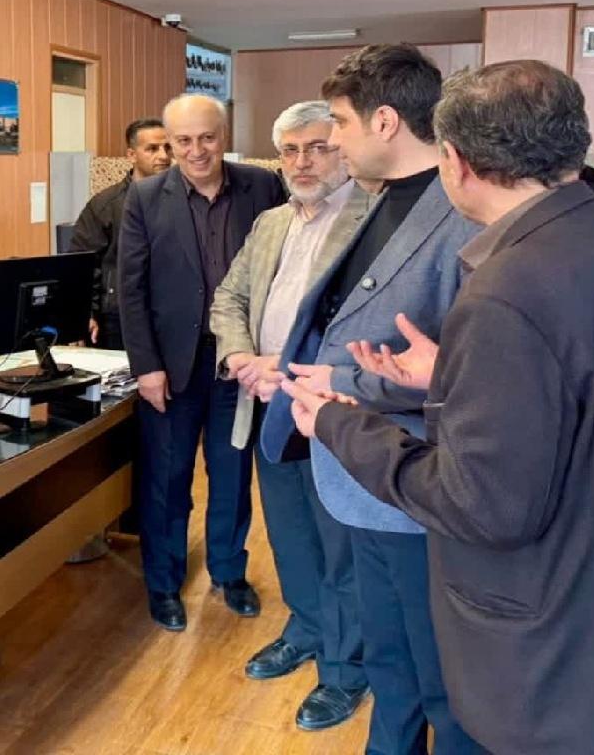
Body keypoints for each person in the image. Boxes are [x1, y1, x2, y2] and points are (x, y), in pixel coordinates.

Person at [284, 60, 594, 755]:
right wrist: (453, 373)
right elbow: (593, 397)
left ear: (456, 161)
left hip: (565, 644)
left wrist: (337, 422)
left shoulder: (508, 287)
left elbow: (481, 505)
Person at [262, 45, 481, 755]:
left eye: (340, 123)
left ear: (385, 121)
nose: (333, 140)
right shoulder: (378, 200)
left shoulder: (464, 214)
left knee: (442, 678)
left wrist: (344, 385)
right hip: (359, 475)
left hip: (417, 480)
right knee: (389, 662)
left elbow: (468, 369)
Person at [209, 101, 370, 731]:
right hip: (267, 404)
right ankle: (306, 628)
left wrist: (285, 364)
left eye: (318, 147)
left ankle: (346, 667)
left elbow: (362, 325)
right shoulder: (271, 221)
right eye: (291, 150)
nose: (303, 162)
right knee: (290, 532)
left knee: (341, 544)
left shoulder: (371, 219)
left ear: (344, 151)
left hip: (329, 408)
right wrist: (240, 357)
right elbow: (230, 297)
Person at [118, 93, 285, 631]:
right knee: (167, 481)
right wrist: (146, 366)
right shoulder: (146, 197)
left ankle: (230, 573)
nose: (196, 151)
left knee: (232, 475)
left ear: (224, 136)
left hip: (239, 363)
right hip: (171, 367)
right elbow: (131, 288)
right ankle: (164, 584)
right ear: (170, 143)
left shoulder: (262, 187)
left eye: (207, 138)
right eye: (183, 141)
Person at [69, 118, 172, 349]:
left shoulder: (184, 200)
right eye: (152, 149)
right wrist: (83, 314)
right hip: (119, 317)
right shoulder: (106, 205)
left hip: (171, 314)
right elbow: (81, 263)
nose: (163, 156)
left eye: (167, 147)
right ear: (131, 155)